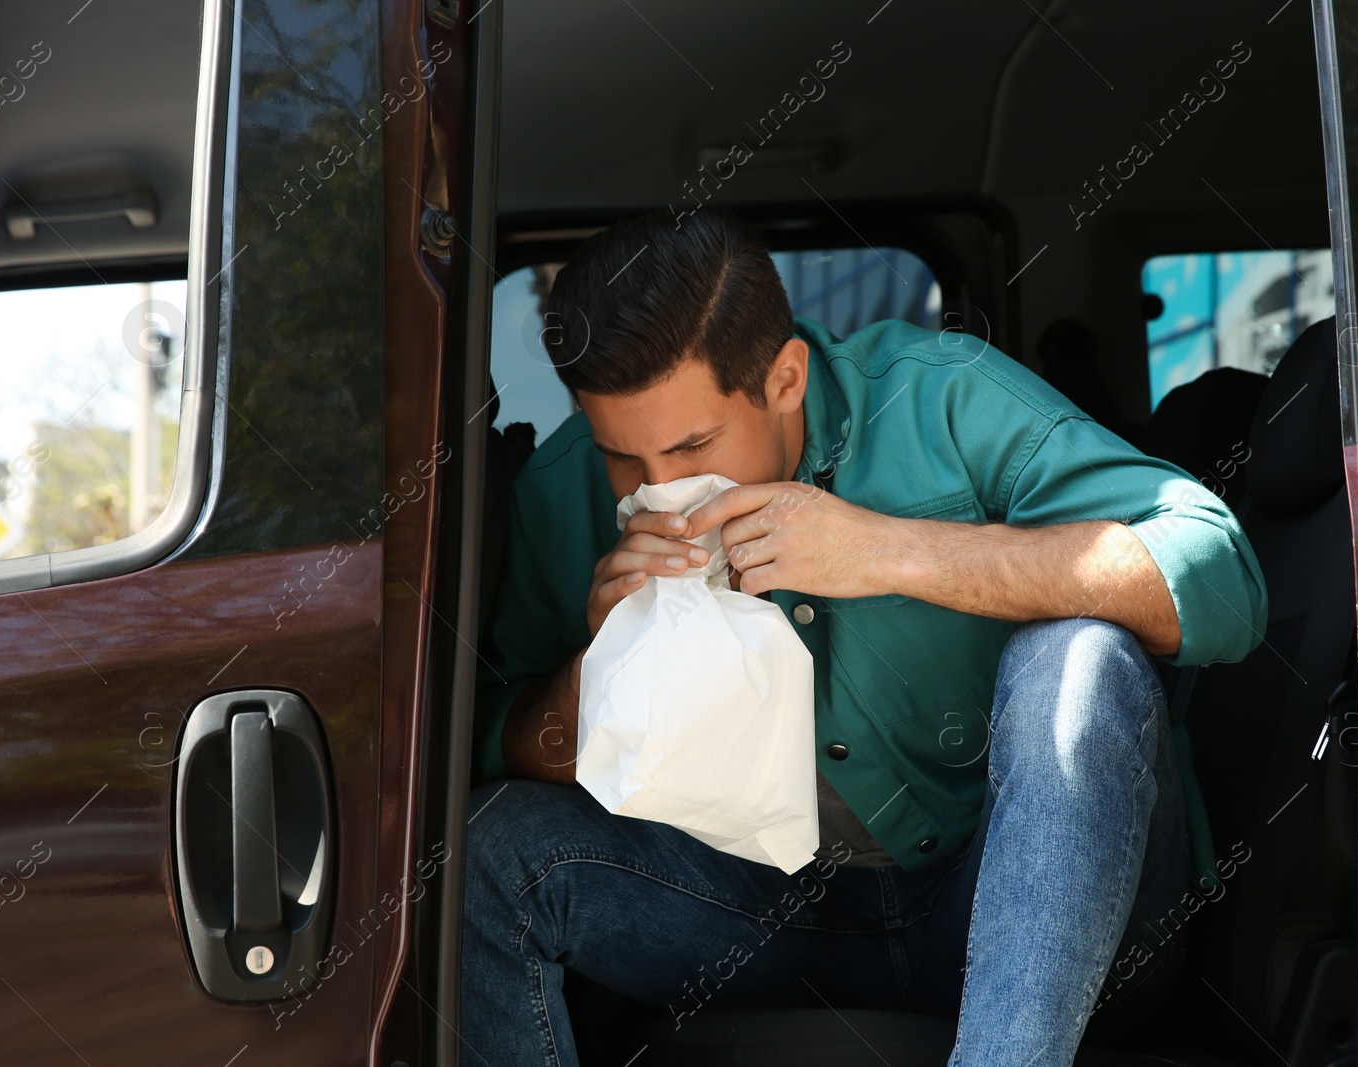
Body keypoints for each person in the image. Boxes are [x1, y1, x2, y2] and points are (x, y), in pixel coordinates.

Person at [463, 208, 1266, 1066]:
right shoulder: (560, 492)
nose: (664, 490)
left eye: (694, 444)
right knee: (489, 849)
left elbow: (1220, 578)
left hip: (1019, 904)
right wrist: (594, 681)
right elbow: (477, 745)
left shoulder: (937, 397)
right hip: (753, 924)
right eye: (623, 457)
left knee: (1079, 659)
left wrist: (892, 549)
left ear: (786, 379)